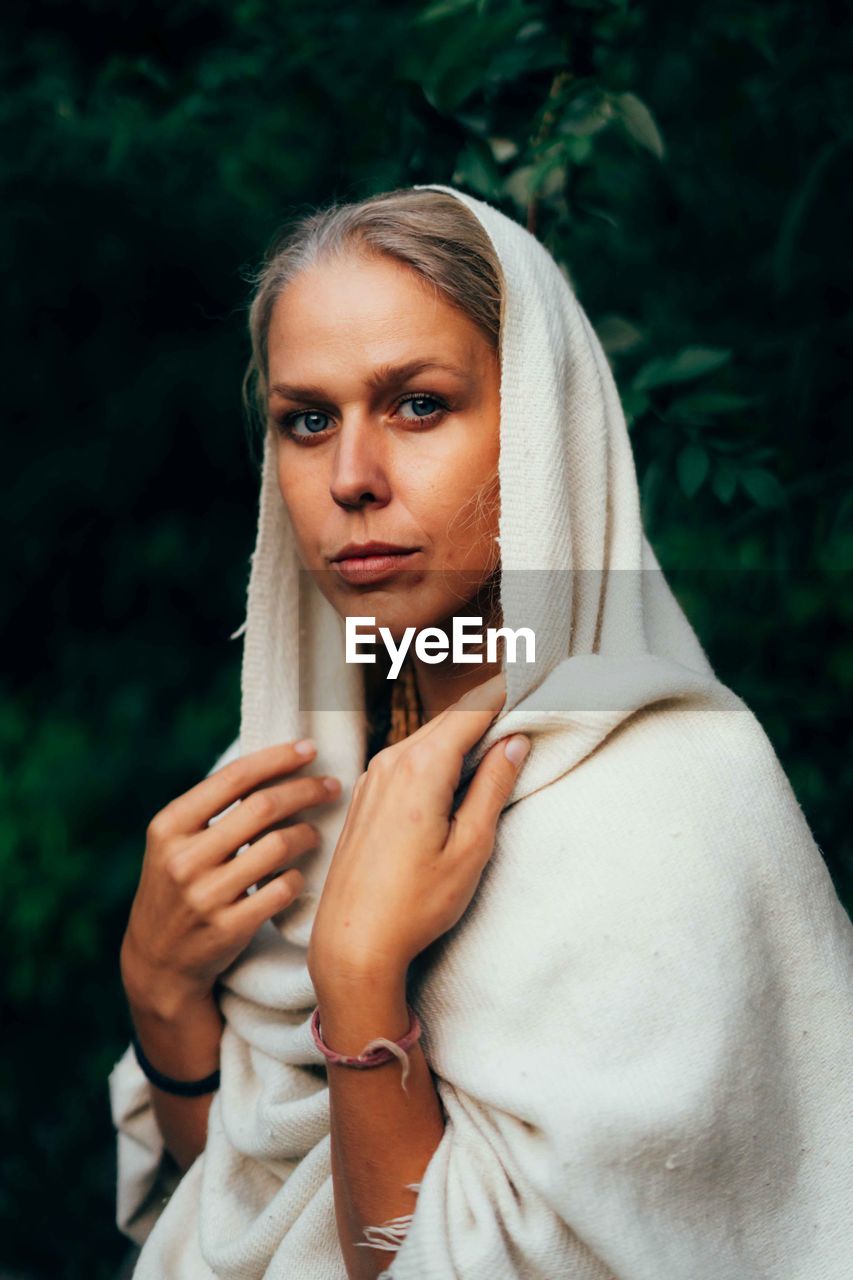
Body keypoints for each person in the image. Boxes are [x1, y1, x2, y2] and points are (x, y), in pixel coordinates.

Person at [110, 184, 853, 1279]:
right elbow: (235, 1220)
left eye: (417, 404)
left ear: (545, 431)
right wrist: (162, 996)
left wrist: (359, 979)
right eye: (307, 418)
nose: (351, 477)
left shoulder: (672, 802)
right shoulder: (276, 793)